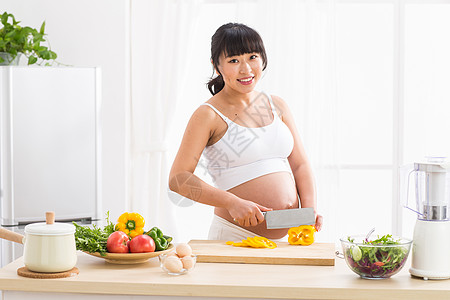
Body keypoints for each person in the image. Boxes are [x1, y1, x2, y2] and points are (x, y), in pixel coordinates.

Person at [169, 22, 323, 241]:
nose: (246, 69)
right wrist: (232, 202)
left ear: (263, 58)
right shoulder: (208, 115)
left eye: (252, 57)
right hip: (235, 237)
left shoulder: (276, 105)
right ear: (216, 66)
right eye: (234, 61)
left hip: (291, 237)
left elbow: (300, 164)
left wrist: (309, 210)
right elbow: (178, 179)